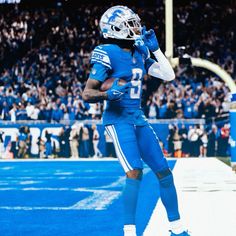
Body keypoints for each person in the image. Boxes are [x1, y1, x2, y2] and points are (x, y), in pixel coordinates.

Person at [82, 6, 190, 236]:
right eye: (128, 24)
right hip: (117, 119)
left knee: (164, 171)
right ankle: (129, 232)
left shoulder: (140, 51)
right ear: (114, 29)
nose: (135, 27)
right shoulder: (107, 51)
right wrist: (105, 95)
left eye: (134, 23)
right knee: (135, 171)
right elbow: (87, 94)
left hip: (137, 118)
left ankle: (177, 228)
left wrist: (157, 50)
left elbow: (168, 75)